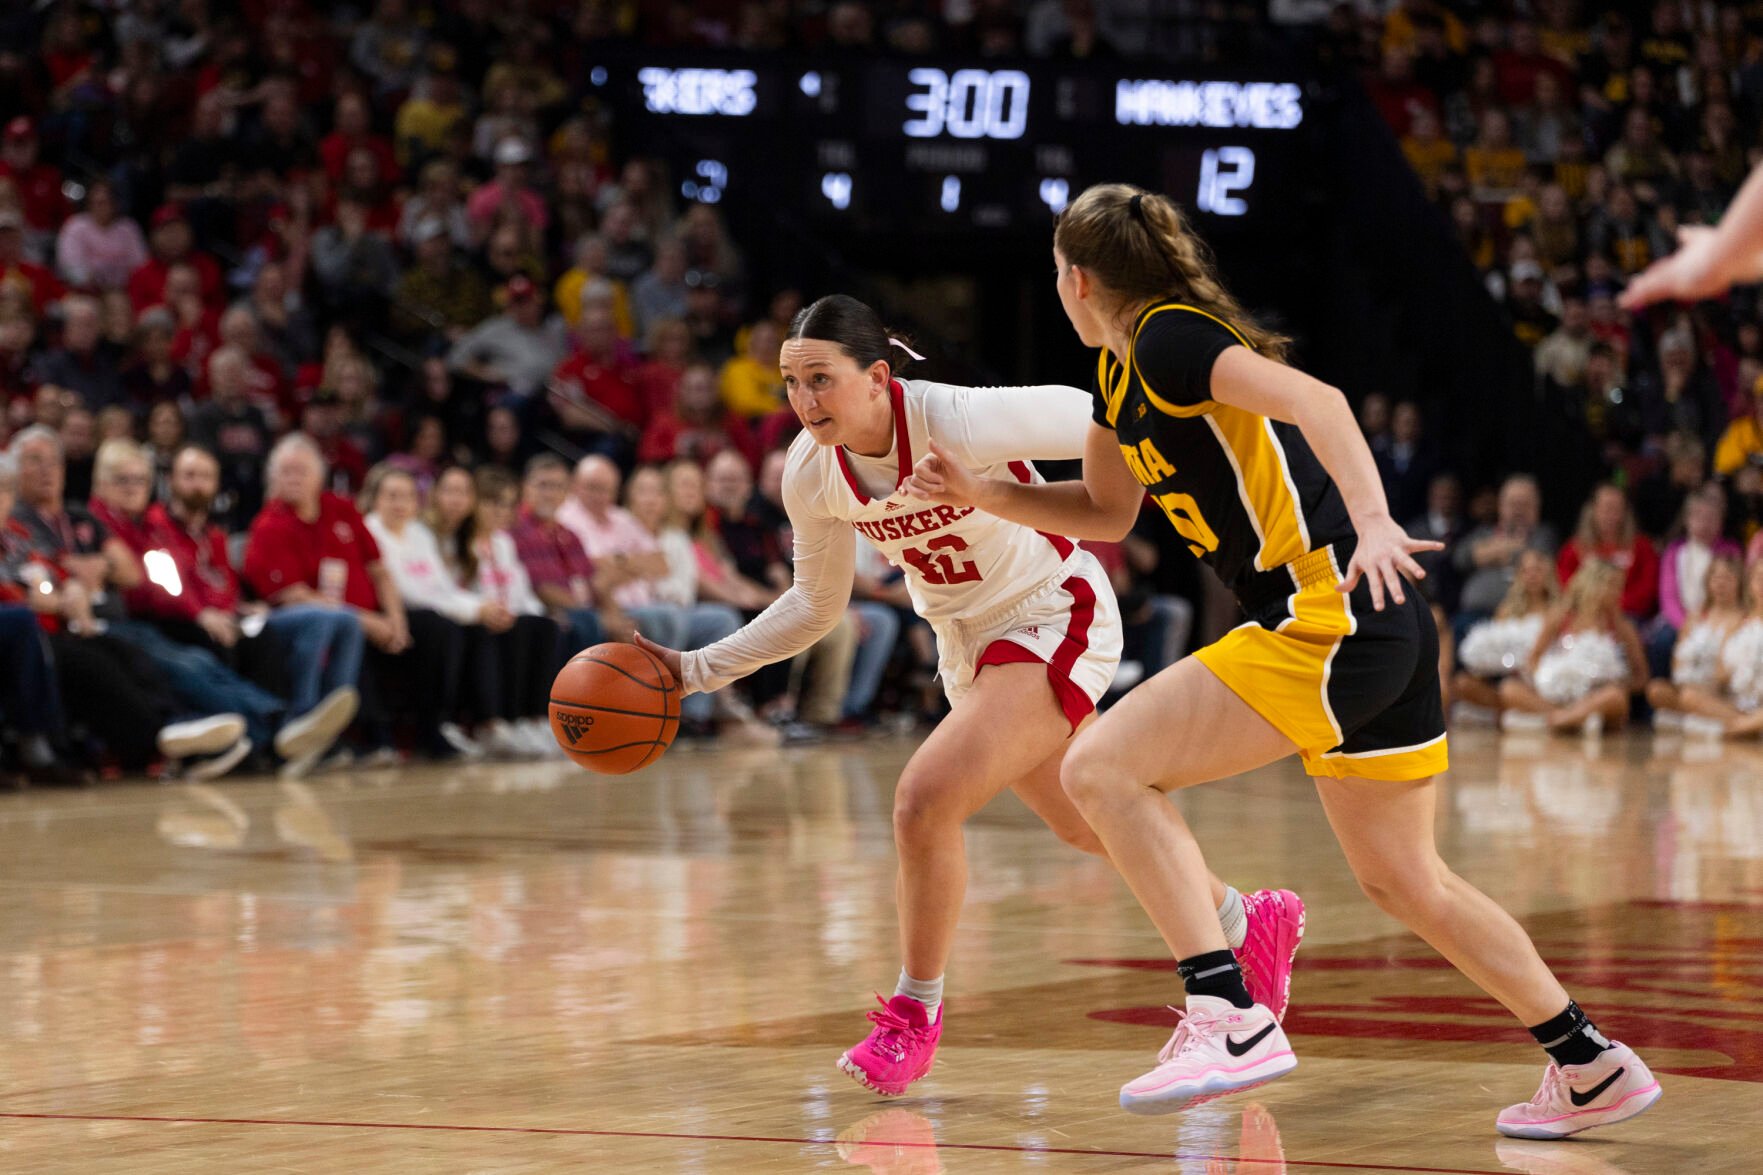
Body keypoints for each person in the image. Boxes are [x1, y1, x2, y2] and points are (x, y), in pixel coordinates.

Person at [906, 185, 1657, 1135]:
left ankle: (1224, 1009)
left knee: (1100, 765)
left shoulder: (1174, 338)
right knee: (1403, 879)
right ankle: (1589, 1062)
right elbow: (1104, 512)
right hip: (1368, 625)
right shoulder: (1115, 373)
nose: (1055, 287)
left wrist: (1379, 521)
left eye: (1055, 272)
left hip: (1326, 608)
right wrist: (983, 493)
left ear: (1079, 278)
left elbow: (1319, 400)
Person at [638, 294, 1300, 1100]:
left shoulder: (954, 418)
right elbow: (816, 605)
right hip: (968, 650)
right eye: (790, 383)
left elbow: (1104, 407)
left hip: (1051, 611)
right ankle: (1243, 918)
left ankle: (913, 1014)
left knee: (922, 800)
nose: (804, 401)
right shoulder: (812, 474)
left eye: (821, 379)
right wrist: (694, 668)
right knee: (1087, 822)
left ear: (877, 377)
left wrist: (1161, 486)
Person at [89, 439, 358, 777]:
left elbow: (168, 584)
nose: (132, 488)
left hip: (171, 617)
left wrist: (228, 610)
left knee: (235, 648)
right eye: (121, 480)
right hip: (135, 622)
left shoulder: (149, 531)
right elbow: (154, 587)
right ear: (101, 483)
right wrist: (200, 613)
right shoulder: (111, 525)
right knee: (193, 660)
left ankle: (282, 730)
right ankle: (278, 731)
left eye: (139, 480)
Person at [426, 465, 560, 759]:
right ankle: (495, 722)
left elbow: (523, 593)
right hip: (473, 615)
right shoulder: (462, 541)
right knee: (508, 629)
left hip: (499, 613)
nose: (502, 512)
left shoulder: (503, 542)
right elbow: (450, 589)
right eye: (493, 503)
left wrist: (536, 615)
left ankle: (535, 719)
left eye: (508, 505)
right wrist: (491, 611)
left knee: (544, 626)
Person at [1497, 560, 1647, 736]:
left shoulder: (1622, 626)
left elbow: (1641, 677)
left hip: (1595, 697)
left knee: (1616, 697)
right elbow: (1533, 659)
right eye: (1612, 585)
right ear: (1592, 585)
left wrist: (1615, 681)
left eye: (1619, 587)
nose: (1618, 593)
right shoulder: (1560, 617)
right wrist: (1551, 680)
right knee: (1509, 689)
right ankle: (1569, 717)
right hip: (1555, 695)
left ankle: (1565, 719)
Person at [1645, 554, 1744, 730]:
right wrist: (1685, 680)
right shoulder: (1695, 617)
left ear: (1739, 583)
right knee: (1656, 689)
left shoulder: (1743, 619)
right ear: (1708, 582)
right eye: (1716, 577)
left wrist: (1705, 685)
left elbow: (1728, 669)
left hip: (1721, 689)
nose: (1720, 584)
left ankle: (1738, 721)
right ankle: (1705, 716)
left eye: (1728, 578)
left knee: (1689, 697)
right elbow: (1678, 659)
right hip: (1688, 685)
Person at [1454, 549, 1559, 715]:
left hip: (1538, 677)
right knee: (1462, 682)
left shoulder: (1556, 609)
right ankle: (1512, 708)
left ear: (1548, 573)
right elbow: (1492, 647)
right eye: (1526, 571)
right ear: (1519, 576)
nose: (1532, 576)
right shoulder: (1506, 609)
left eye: (1537, 570)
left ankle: (1557, 714)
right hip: (1503, 676)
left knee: (1509, 690)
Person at [1673, 557, 1763, 738]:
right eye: (1759, 578)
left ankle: (1739, 727)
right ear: (1750, 584)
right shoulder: (1741, 624)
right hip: (1741, 703)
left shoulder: (1737, 615)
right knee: (1688, 696)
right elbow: (1722, 673)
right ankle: (1748, 725)